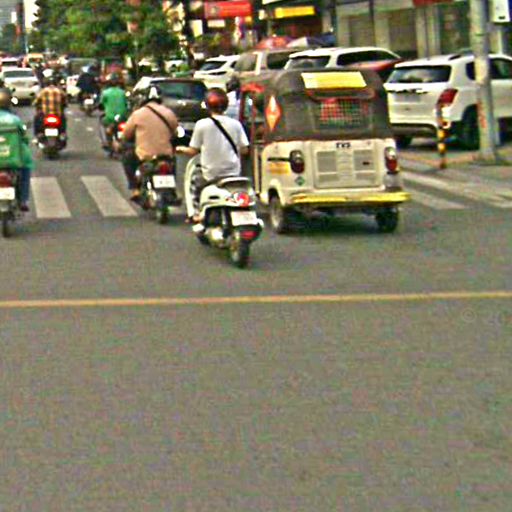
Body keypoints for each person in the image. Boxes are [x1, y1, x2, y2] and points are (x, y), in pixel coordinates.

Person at [176, 87, 249, 221]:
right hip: (233, 172)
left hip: (210, 173)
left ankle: (195, 214)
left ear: (207, 105)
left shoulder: (202, 125)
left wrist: (180, 149)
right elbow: (244, 149)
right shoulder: (236, 124)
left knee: (194, 185)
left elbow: (193, 150)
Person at [121, 85, 178, 200]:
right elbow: (175, 132)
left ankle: (135, 188)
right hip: (166, 155)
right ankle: (172, 190)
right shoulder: (169, 113)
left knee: (127, 157)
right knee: (173, 163)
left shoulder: (137, 114)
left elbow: (126, 134)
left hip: (145, 155)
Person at [0, 88, 34, 211]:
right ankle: (23, 200)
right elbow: (24, 138)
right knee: (25, 169)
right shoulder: (14, 119)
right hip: (13, 158)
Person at [98, 73, 129, 149]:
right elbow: (127, 105)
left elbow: (101, 104)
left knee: (102, 123)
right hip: (122, 117)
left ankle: (106, 141)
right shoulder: (122, 92)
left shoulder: (105, 93)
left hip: (110, 118)